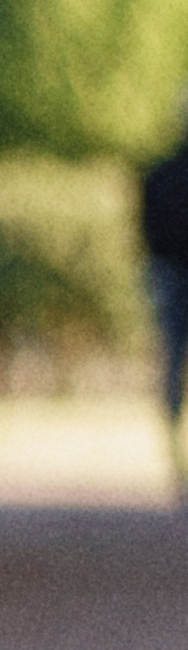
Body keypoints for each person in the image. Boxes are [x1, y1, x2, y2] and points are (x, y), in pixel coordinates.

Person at [143, 111, 188, 501]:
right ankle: (176, 461)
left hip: (169, 274)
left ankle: (176, 461)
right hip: (172, 275)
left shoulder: (160, 174)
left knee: (172, 365)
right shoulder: (162, 174)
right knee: (172, 366)